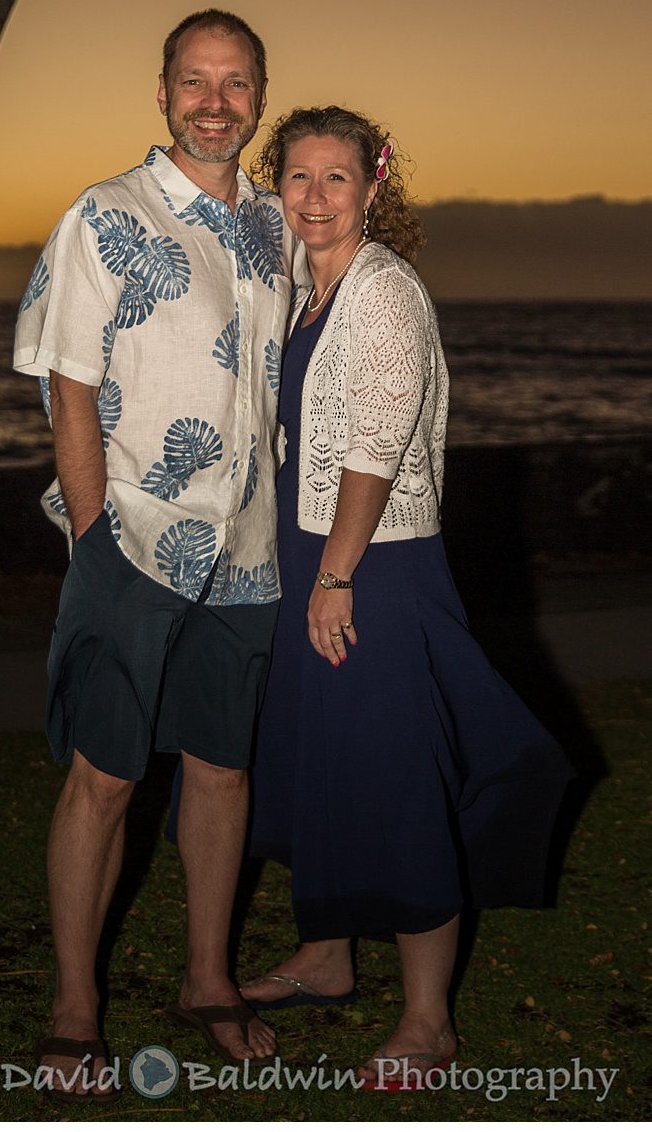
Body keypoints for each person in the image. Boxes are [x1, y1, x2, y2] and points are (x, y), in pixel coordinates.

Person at [239, 107, 573, 1089]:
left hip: (371, 562)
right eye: (295, 177)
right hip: (313, 555)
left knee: (391, 773)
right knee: (317, 762)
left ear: (370, 186)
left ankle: (426, 1019)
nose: (311, 197)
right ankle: (325, 954)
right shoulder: (303, 285)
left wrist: (335, 575)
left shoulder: (382, 293)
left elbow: (373, 451)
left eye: (333, 179)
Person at [12, 9, 296, 1099]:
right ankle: (74, 1004)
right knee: (105, 775)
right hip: (130, 539)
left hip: (251, 548)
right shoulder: (105, 216)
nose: (213, 101)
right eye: (193, 80)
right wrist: (92, 539)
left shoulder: (276, 228)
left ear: (259, 97)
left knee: (222, 771)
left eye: (234, 83)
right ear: (162, 91)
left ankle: (205, 977)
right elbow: (66, 380)